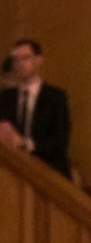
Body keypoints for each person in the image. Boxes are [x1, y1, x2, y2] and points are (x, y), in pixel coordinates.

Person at [0, 38, 70, 174]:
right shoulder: (5, 98)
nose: (20, 64)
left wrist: (25, 144)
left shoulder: (56, 97)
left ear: (38, 60)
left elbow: (59, 143)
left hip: (48, 171)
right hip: (13, 171)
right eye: (16, 60)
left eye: (26, 58)